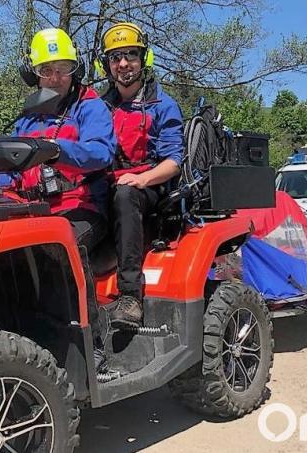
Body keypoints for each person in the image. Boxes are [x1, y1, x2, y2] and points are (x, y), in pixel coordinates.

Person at [0, 28, 116, 367]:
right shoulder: (27, 117)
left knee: (64, 246)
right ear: (34, 74)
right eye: (47, 70)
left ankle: (92, 343)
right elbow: (6, 165)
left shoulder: (90, 107)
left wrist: (56, 151)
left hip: (82, 206)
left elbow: (100, 152)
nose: (56, 77)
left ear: (76, 69)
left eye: (63, 68)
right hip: (35, 212)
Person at [96, 22, 185, 328]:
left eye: (131, 55)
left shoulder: (163, 105)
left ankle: (130, 295)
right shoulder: (99, 106)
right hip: (107, 184)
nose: (123, 64)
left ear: (143, 59)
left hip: (148, 189)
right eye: (116, 57)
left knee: (124, 193)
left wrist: (142, 179)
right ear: (106, 64)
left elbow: (173, 162)